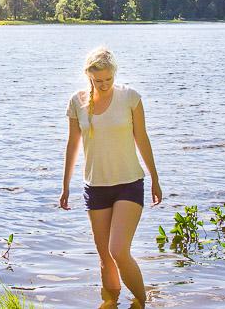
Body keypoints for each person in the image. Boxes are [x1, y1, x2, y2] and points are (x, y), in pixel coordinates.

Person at [60, 46, 162, 309]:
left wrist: (155, 177)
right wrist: (65, 186)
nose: (104, 85)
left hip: (129, 183)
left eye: (108, 79)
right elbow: (72, 145)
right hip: (96, 186)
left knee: (118, 250)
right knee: (105, 256)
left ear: (114, 74)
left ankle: (141, 302)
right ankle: (112, 302)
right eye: (98, 80)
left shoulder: (130, 97)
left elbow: (142, 138)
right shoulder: (77, 102)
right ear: (89, 77)